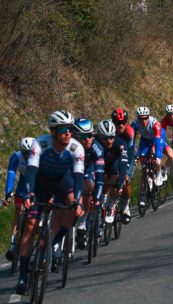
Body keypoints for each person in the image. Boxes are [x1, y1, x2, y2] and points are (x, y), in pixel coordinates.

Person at [16, 110, 84, 295]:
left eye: (70, 129)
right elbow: (31, 169)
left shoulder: (76, 148)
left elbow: (78, 176)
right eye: (63, 129)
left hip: (63, 183)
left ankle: (54, 240)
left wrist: (77, 200)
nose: (68, 133)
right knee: (30, 226)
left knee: (73, 211)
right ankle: (23, 275)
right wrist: (29, 193)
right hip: (40, 184)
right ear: (54, 130)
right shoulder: (41, 143)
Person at [73, 118, 105, 249]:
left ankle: (81, 224)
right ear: (75, 136)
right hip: (71, 171)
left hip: (88, 171)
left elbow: (100, 175)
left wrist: (97, 196)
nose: (88, 139)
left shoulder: (97, 148)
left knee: (88, 187)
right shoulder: (70, 146)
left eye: (90, 135)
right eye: (83, 136)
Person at [2, 137, 34, 261]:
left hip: (36, 186)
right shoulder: (16, 156)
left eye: (30, 152)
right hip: (22, 187)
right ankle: (12, 244)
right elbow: (11, 175)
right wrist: (8, 194)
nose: (28, 156)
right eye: (25, 153)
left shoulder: (39, 156)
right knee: (18, 212)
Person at [132, 107, 173, 190]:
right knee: (143, 162)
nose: (143, 121)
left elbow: (157, 140)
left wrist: (158, 156)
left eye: (145, 118)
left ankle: (159, 175)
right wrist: (134, 155)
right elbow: (131, 140)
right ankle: (148, 181)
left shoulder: (155, 124)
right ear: (138, 118)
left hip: (158, 137)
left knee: (158, 156)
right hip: (145, 140)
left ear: (148, 116)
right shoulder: (135, 123)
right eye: (141, 118)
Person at [96, 120, 128, 223]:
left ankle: (111, 206)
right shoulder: (94, 141)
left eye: (111, 137)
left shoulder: (121, 143)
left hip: (114, 163)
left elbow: (123, 165)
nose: (109, 141)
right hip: (99, 163)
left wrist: (120, 183)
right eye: (105, 138)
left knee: (115, 180)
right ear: (100, 136)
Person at [111, 108, 135, 223]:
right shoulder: (110, 131)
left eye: (123, 122)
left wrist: (125, 172)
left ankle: (125, 205)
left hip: (128, 157)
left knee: (125, 180)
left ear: (127, 122)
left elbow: (129, 153)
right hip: (114, 156)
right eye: (117, 123)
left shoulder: (129, 132)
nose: (120, 125)